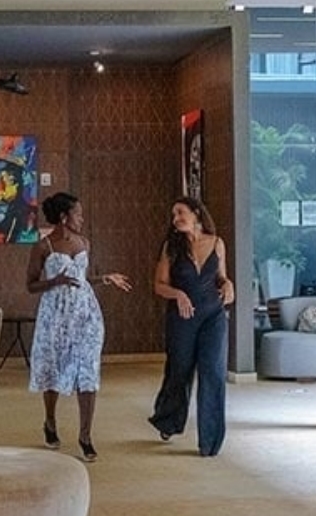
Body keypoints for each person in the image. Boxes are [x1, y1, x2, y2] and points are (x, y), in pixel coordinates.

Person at [26, 192, 130, 462]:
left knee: (88, 371)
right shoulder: (43, 247)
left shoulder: (84, 242)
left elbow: (81, 280)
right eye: (78, 214)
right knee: (52, 369)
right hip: (55, 316)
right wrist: (55, 281)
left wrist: (105, 278)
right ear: (64, 217)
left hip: (85, 314)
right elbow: (31, 285)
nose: (82, 219)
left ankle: (85, 436)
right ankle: (50, 422)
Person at [147, 196, 235, 457]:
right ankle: (169, 421)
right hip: (182, 317)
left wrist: (228, 285)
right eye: (173, 215)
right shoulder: (171, 247)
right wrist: (178, 294)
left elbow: (221, 277)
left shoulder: (217, 243)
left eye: (180, 213)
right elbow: (159, 285)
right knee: (180, 371)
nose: (176, 219)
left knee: (213, 373)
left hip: (213, 316)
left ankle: (210, 442)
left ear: (196, 213)